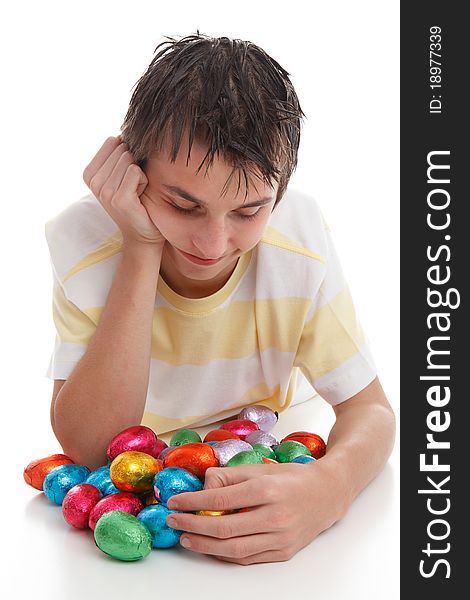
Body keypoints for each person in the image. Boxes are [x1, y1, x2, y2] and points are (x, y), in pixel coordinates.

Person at [46, 33, 395, 565]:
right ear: (132, 175)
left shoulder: (297, 243)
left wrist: (332, 488)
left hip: (263, 435)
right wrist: (141, 247)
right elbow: (92, 449)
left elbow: (371, 409)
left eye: (248, 212)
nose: (211, 244)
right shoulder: (87, 246)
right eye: (182, 205)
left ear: (278, 196)